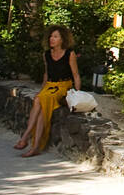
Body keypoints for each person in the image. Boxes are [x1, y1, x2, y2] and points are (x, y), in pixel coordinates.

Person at [14, 26, 80, 156]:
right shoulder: (46, 54)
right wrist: (42, 90)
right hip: (50, 85)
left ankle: (26, 137)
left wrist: (77, 95)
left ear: (62, 39)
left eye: (55, 37)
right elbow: (46, 74)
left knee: (41, 101)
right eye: (51, 36)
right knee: (39, 100)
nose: (52, 39)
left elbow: (76, 75)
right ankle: (35, 146)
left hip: (63, 86)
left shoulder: (69, 54)